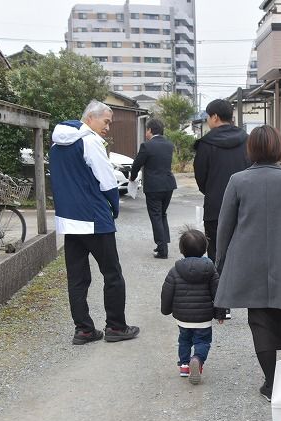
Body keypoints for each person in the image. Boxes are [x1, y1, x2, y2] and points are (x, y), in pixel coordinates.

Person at [214, 125, 281, 402]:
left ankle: (272, 384)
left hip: (249, 263)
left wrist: (220, 262)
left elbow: (224, 228)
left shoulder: (237, 181)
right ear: (279, 148)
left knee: (259, 322)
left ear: (252, 150)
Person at [49, 100, 140, 345]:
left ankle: (84, 330)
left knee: (77, 278)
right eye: (106, 121)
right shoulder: (89, 142)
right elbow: (108, 181)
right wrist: (114, 207)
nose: (108, 127)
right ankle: (116, 327)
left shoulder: (56, 144)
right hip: (94, 218)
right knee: (112, 274)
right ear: (90, 117)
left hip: (69, 220)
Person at [194, 99, 250, 320]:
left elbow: (201, 179)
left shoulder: (206, 144)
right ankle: (250, 299)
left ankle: (221, 306)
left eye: (208, 117)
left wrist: (212, 189)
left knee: (216, 254)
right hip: (244, 205)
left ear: (215, 117)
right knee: (245, 252)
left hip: (216, 206)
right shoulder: (247, 140)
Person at [161, 228, 225, 385]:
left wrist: (166, 309)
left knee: (184, 340)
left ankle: (184, 365)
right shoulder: (210, 270)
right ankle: (197, 359)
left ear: (182, 250)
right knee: (202, 341)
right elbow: (217, 292)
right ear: (204, 249)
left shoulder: (175, 270)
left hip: (182, 317)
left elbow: (167, 291)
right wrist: (220, 313)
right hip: (203, 317)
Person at [129, 118, 177, 259]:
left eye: (147, 130)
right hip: (168, 185)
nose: (146, 133)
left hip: (154, 187)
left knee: (156, 216)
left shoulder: (147, 146)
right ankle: (163, 245)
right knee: (162, 214)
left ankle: (162, 249)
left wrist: (132, 178)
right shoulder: (169, 144)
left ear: (150, 130)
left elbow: (137, 164)